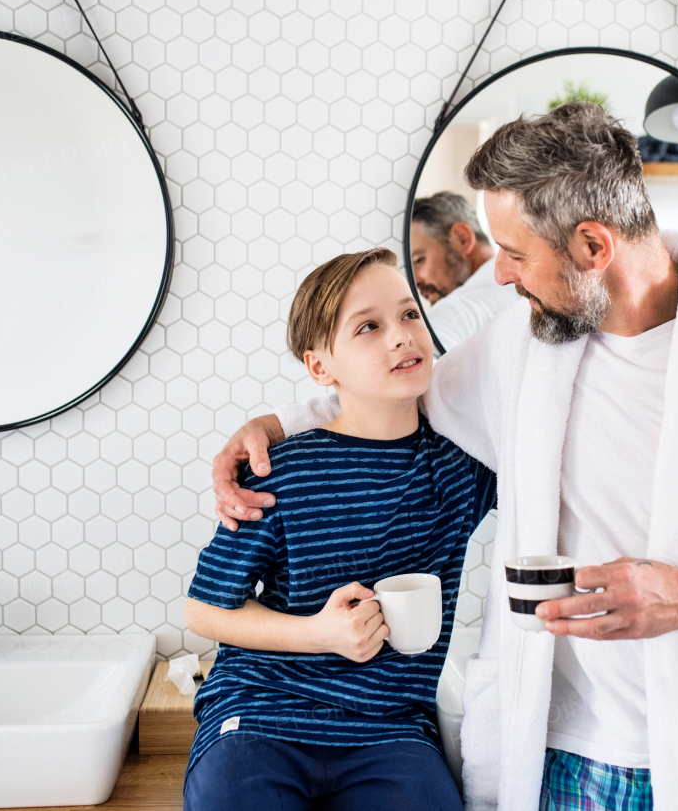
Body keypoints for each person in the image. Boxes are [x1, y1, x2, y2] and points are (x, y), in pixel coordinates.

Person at [212, 103, 678, 811]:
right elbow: (396, 399)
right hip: (560, 755)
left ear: (592, 247)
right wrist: (269, 426)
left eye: (515, 255)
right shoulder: (523, 349)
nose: (503, 278)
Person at [183, 247, 497, 811]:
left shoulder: (460, 465)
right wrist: (320, 636)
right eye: (368, 327)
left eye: (409, 314)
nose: (402, 336)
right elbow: (204, 611)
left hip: (390, 725)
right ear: (320, 368)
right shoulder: (281, 471)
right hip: (263, 712)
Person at [410, 191, 521, 351]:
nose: (415, 281)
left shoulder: (449, 315)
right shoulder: (530, 290)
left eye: (419, 260)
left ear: (462, 238)